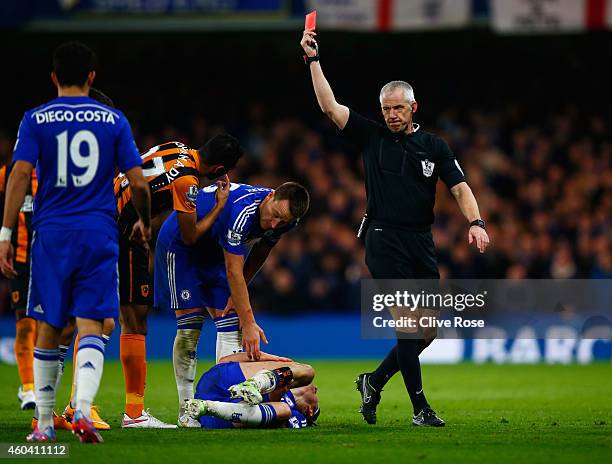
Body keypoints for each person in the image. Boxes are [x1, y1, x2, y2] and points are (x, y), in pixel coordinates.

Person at [300, 30, 490, 427]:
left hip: (421, 241)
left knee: (427, 332)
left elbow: (460, 187)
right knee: (408, 325)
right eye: (386, 108)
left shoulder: (435, 147)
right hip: (384, 239)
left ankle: (373, 380)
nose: (391, 115)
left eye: (398, 108)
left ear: (413, 107)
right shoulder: (372, 136)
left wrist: (475, 222)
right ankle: (420, 409)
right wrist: (313, 61)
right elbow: (330, 107)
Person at [0, 41, 151, 443]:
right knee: (93, 324)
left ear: (53, 77)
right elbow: (137, 182)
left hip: (50, 234)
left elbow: (18, 176)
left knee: (49, 325)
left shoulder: (35, 119)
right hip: (98, 233)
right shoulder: (113, 120)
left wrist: (4, 232)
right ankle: (82, 410)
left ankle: (45, 424)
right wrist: (144, 222)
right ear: (91, 77)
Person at [154, 181, 310, 427]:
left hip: (213, 252)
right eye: (275, 216)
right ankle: (186, 411)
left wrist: (237, 296)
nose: (274, 225)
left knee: (230, 322)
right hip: (181, 246)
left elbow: (261, 250)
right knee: (190, 327)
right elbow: (232, 271)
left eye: (283, 221)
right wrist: (249, 322)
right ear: (270, 196)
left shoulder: (285, 220)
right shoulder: (243, 211)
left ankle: (225, 404)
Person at [114, 135, 243, 428]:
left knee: (103, 319)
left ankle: (82, 407)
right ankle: (134, 415)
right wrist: (220, 206)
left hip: (103, 211)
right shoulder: (187, 182)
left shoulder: (177, 147)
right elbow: (190, 237)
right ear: (219, 166)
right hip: (123, 230)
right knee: (133, 321)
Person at [185, 352, 319, 429]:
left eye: (316, 394)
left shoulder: (298, 415)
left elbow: (278, 422)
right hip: (222, 382)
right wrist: (259, 356)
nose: (316, 388)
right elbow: (224, 361)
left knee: (284, 409)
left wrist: (278, 394)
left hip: (226, 414)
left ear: (310, 410)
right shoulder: (287, 378)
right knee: (306, 372)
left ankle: (206, 406)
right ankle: (254, 384)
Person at [0, 164, 38, 411]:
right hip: (22, 261)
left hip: (52, 258)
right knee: (24, 323)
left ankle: (46, 386)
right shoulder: (8, 173)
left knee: (52, 325)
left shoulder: (58, 168)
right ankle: (28, 388)